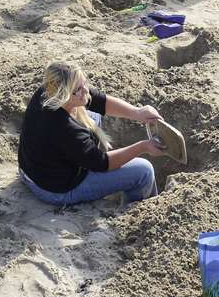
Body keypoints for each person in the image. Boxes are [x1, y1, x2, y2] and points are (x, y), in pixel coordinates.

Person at [17, 62, 163, 208]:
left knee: (93, 115)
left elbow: (98, 100)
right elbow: (103, 163)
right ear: (63, 94)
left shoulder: (47, 92)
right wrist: (143, 146)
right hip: (55, 190)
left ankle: (88, 160)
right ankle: (137, 213)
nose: (85, 90)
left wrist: (137, 112)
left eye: (84, 83)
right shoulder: (66, 129)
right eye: (78, 90)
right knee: (144, 171)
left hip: (31, 170)